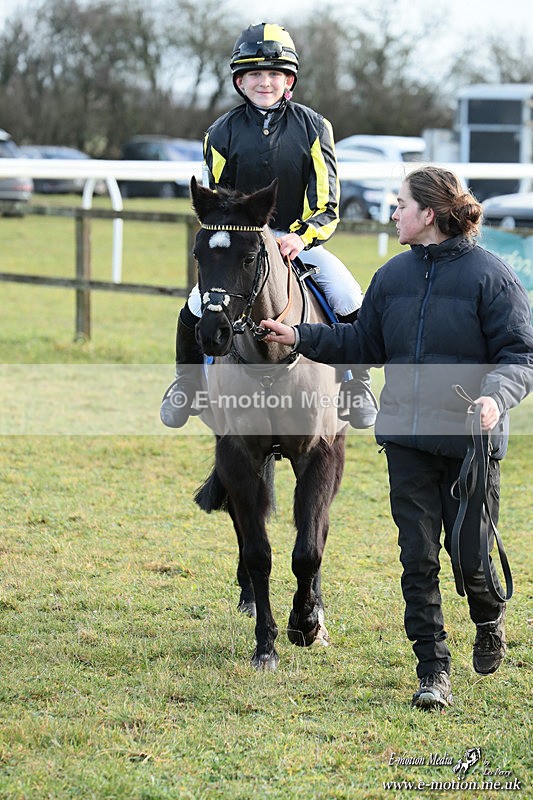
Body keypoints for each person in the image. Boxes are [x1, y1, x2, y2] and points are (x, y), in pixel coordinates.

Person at [260, 165, 533, 710]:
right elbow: (362, 341)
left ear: (427, 214)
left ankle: (488, 614)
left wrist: (495, 397)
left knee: (472, 559)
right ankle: (433, 671)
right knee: (418, 559)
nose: (393, 213)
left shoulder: (491, 275)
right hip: (407, 441)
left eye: (400, 204)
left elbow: (520, 354)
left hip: (470, 445)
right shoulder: (391, 276)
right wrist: (299, 335)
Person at [160, 22, 377, 430]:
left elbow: (328, 202)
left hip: (300, 241)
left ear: (289, 79)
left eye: (274, 74)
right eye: (255, 74)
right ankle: (185, 384)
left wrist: (300, 236)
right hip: (243, 245)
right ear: (240, 80)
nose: (265, 82)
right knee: (193, 307)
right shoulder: (220, 132)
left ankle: (356, 383)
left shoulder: (315, 127)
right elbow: (216, 202)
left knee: (348, 297)